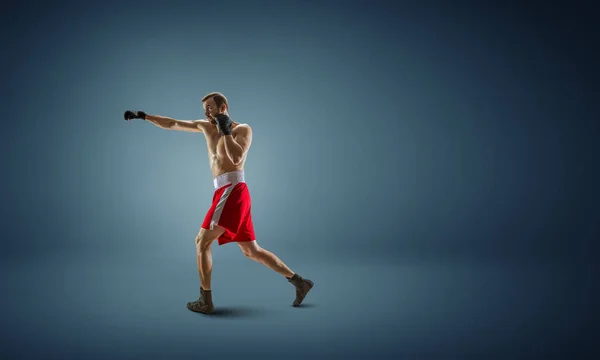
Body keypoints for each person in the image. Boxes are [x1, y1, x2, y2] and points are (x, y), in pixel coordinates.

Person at [124, 92, 314, 314]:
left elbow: (235, 159)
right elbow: (174, 123)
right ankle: (299, 282)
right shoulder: (205, 127)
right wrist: (144, 116)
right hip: (224, 191)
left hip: (233, 190)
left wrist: (226, 131)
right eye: (204, 109)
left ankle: (206, 300)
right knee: (252, 251)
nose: (206, 112)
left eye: (209, 108)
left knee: (201, 241)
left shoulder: (242, 129)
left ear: (223, 107)